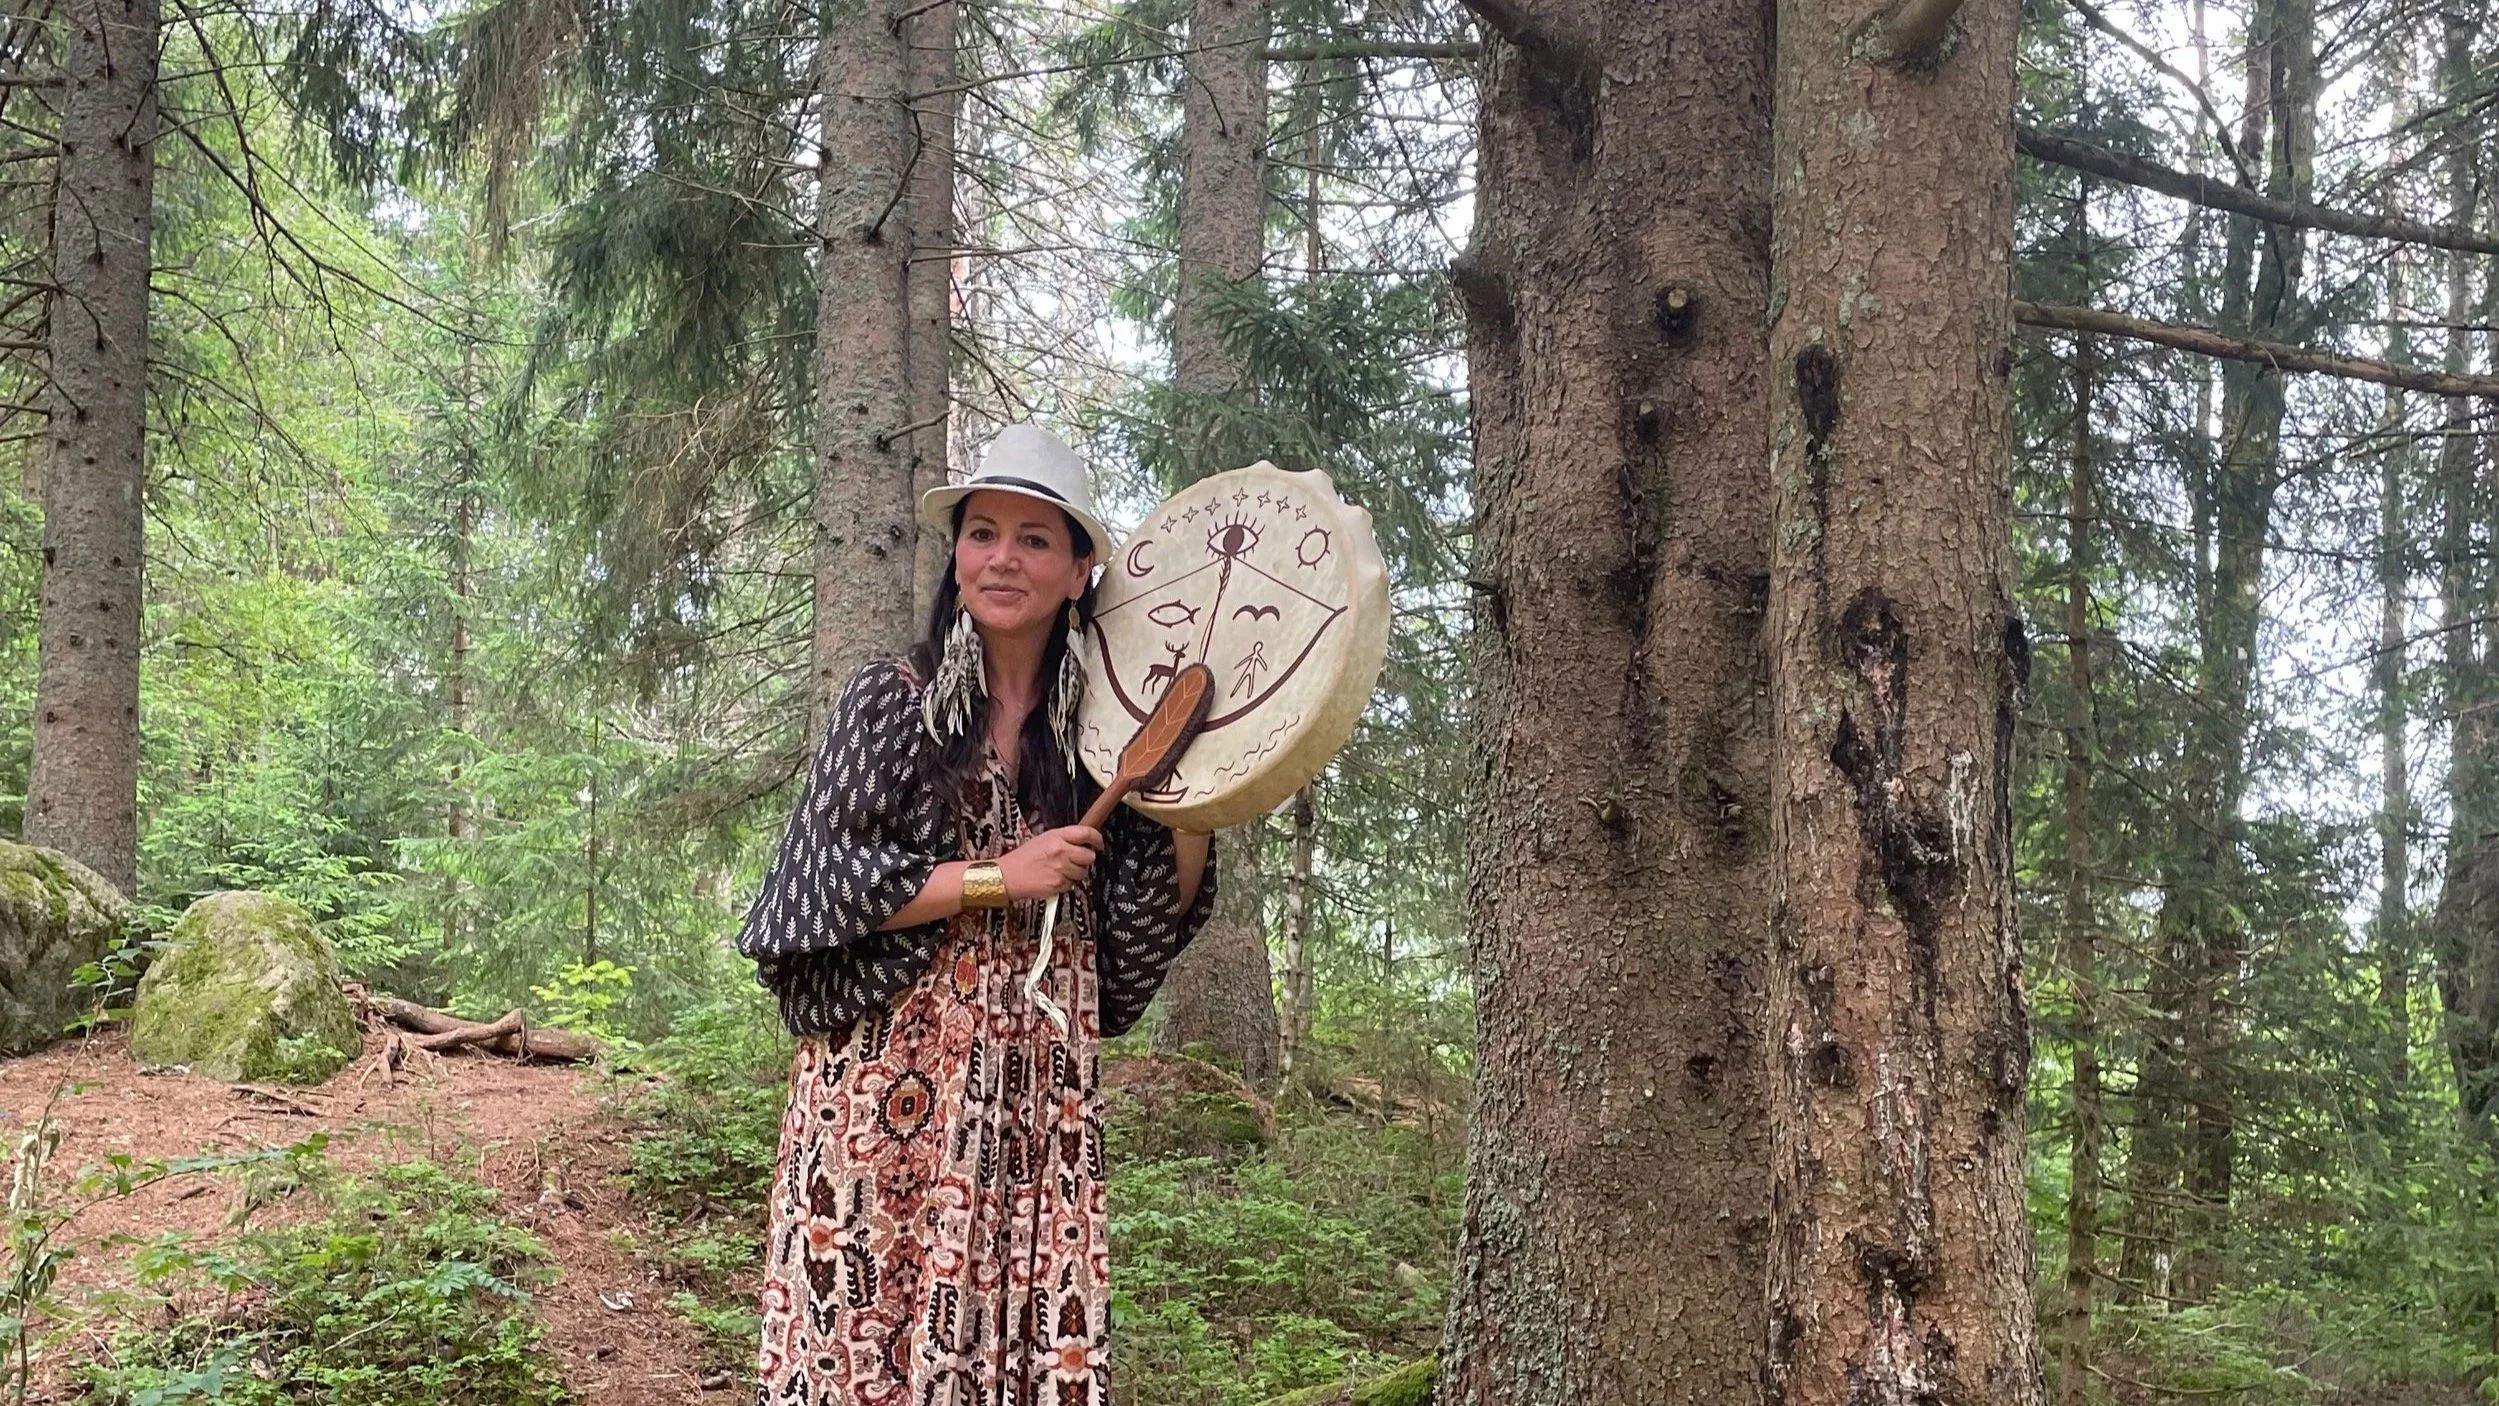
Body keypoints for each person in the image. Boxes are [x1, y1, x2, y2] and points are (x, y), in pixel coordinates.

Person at [737, 423, 1216, 1405]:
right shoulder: (892, 702)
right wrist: (999, 875)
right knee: (875, 1322)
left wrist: (1196, 806)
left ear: (1081, 570)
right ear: (956, 556)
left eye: (1036, 538)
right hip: (887, 1085)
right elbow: (816, 889)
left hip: (1033, 1096)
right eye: (983, 531)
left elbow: (1131, 940)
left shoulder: (1099, 739)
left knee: (1015, 1334)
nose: (1004, 556)